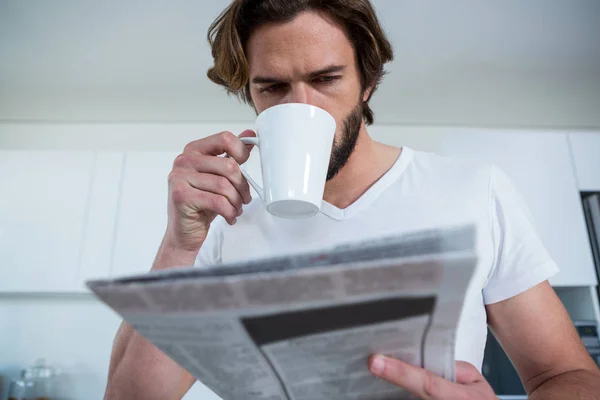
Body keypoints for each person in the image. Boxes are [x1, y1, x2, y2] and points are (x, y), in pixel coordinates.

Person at [103, 1, 600, 399]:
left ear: (368, 81)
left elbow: (569, 376)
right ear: (250, 97)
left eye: (325, 79)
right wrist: (178, 247)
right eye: (273, 87)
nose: (302, 107)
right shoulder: (224, 219)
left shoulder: (475, 191)